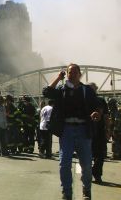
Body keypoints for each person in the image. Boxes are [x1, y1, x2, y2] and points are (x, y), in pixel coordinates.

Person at [43, 63, 100, 200]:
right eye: (69, 72)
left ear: (79, 74)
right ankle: (67, 192)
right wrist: (58, 78)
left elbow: (97, 106)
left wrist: (96, 113)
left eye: (75, 72)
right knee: (64, 163)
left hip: (83, 130)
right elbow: (46, 92)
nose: (72, 74)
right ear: (66, 74)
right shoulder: (62, 90)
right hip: (66, 130)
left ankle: (86, 189)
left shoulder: (87, 90)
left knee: (86, 164)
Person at [88, 83, 109, 183]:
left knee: (99, 155)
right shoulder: (84, 100)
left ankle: (95, 174)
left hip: (97, 132)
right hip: (88, 131)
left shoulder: (100, 100)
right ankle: (94, 174)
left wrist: (108, 130)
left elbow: (105, 116)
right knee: (92, 155)